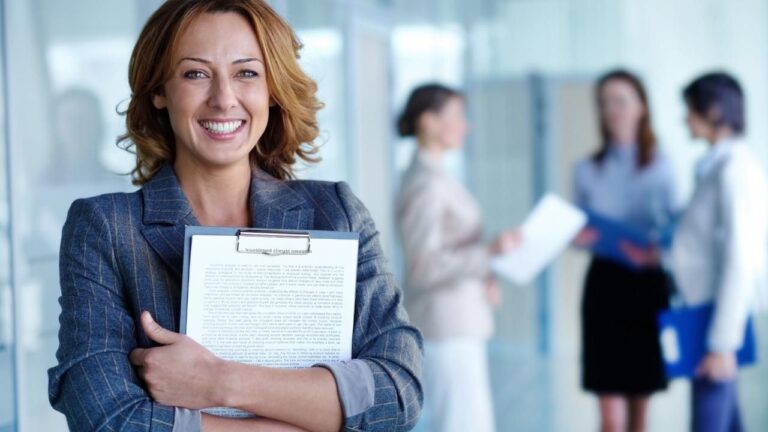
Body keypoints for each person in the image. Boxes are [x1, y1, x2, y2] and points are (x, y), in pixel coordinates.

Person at [47, 1, 423, 431]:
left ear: (272, 90)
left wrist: (218, 382)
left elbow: (398, 393)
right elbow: (106, 417)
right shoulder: (106, 228)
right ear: (159, 91)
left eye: (247, 72)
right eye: (195, 73)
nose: (223, 99)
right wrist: (313, 415)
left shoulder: (335, 214)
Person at [395, 83, 519, 432]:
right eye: (458, 116)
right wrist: (488, 253)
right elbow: (423, 266)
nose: (466, 125)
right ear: (429, 122)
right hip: (445, 325)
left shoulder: (437, 175)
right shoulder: (425, 184)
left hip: (460, 319)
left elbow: (453, 250)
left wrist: (485, 272)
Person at [572, 70, 679, 432]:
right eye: (604, 103)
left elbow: (680, 232)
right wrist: (579, 236)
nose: (612, 110)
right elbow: (576, 229)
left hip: (647, 286)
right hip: (604, 286)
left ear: (641, 107)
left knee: (640, 409)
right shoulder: (586, 169)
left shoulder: (664, 167)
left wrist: (658, 253)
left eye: (620, 100)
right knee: (610, 417)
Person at [671, 72, 768, 432]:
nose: (684, 119)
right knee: (725, 420)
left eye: (689, 110)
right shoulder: (718, 165)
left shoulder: (734, 169)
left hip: (718, 317)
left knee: (710, 419)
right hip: (707, 311)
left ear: (712, 111)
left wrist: (722, 343)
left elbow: (740, 258)